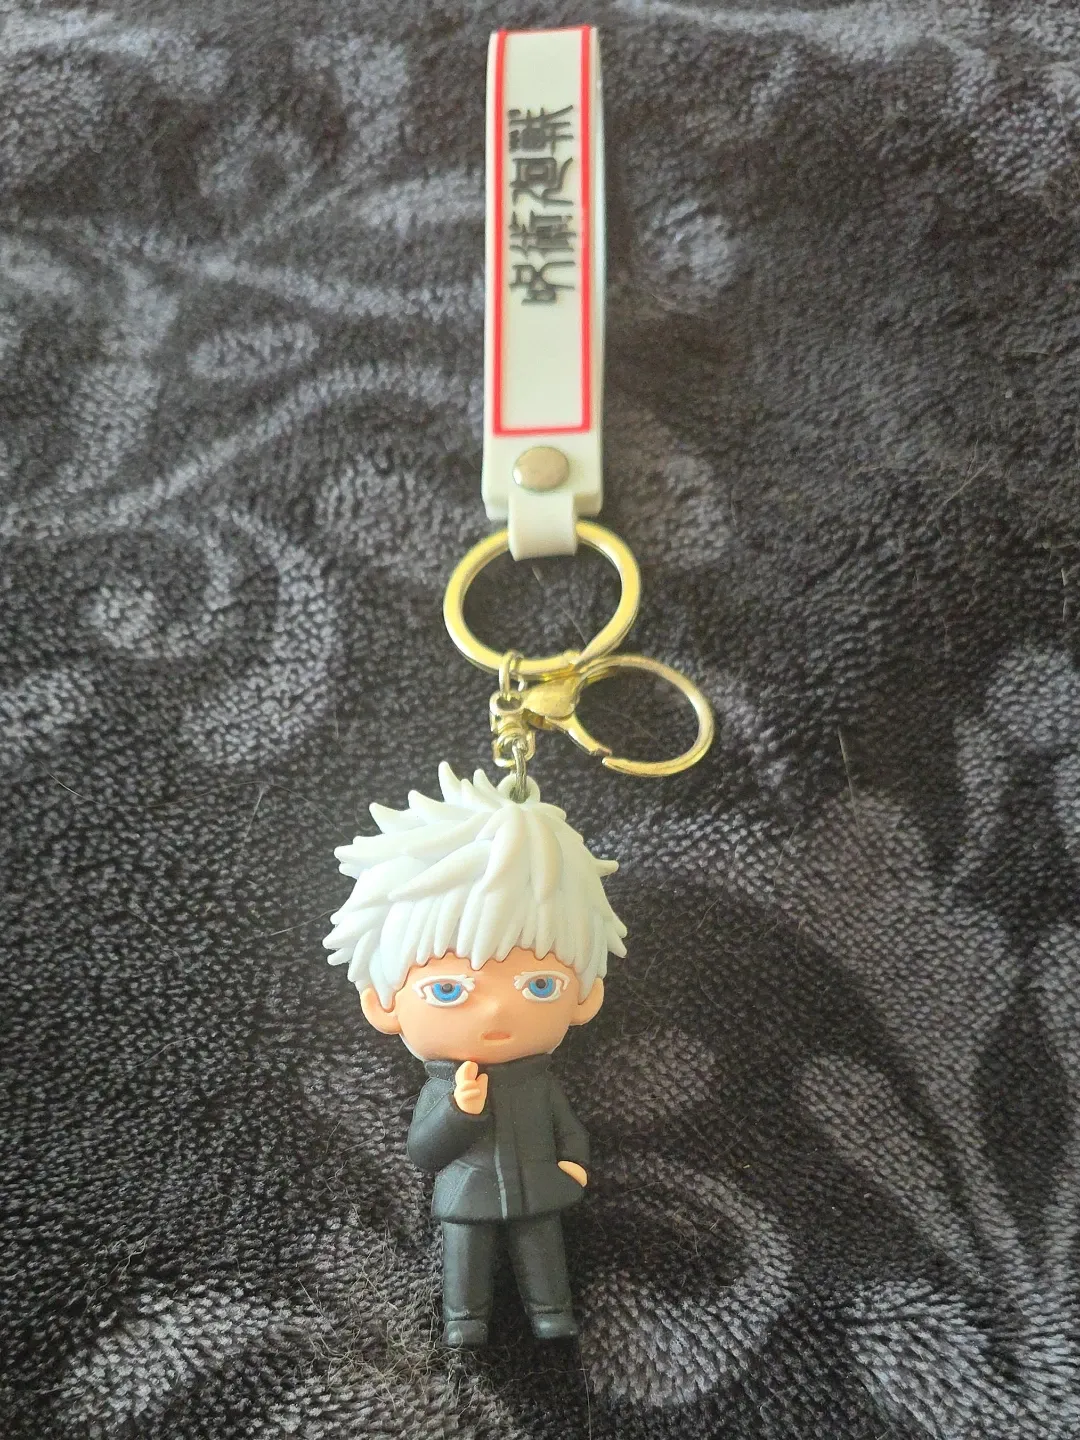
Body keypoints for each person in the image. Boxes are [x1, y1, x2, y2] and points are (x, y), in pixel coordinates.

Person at [324, 762, 627, 1346]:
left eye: (539, 985)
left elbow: (568, 1127)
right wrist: (459, 1112)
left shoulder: (538, 1080)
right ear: (383, 1005)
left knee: (543, 1248)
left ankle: (551, 1311)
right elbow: (423, 1151)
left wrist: (574, 1164)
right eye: (448, 990)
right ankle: (464, 1319)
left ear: (585, 996)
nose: (495, 1011)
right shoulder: (444, 1085)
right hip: (466, 1192)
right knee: (465, 1256)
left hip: (540, 1186)